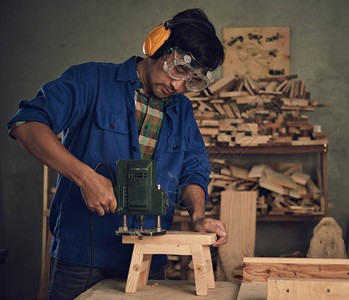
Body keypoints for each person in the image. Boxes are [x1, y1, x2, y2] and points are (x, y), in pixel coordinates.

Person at [7, 8, 227, 300]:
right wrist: (86, 178)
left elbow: (193, 170)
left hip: (149, 257)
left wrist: (198, 215)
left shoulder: (182, 110)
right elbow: (26, 124)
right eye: (178, 70)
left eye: (192, 82)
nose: (178, 86)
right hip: (83, 257)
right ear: (156, 46)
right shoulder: (91, 80)